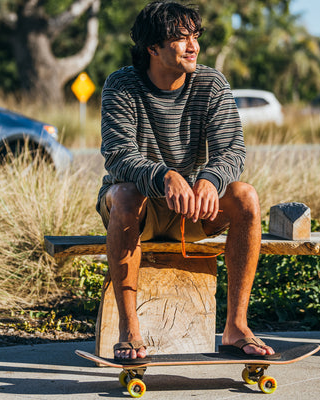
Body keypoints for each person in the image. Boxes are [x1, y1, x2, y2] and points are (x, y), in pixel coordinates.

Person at [96, 1, 276, 360]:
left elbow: (232, 150)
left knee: (245, 196)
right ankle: (129, 330)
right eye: (180, 38)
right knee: (126, 194)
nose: (193, 46)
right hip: (139, 210)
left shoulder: (210, 83)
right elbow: (117, 153)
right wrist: (164, 176)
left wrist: (210, 179)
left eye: (195, 36)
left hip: (192, 209)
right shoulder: (122, 85)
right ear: (153, 48)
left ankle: (237, 327)